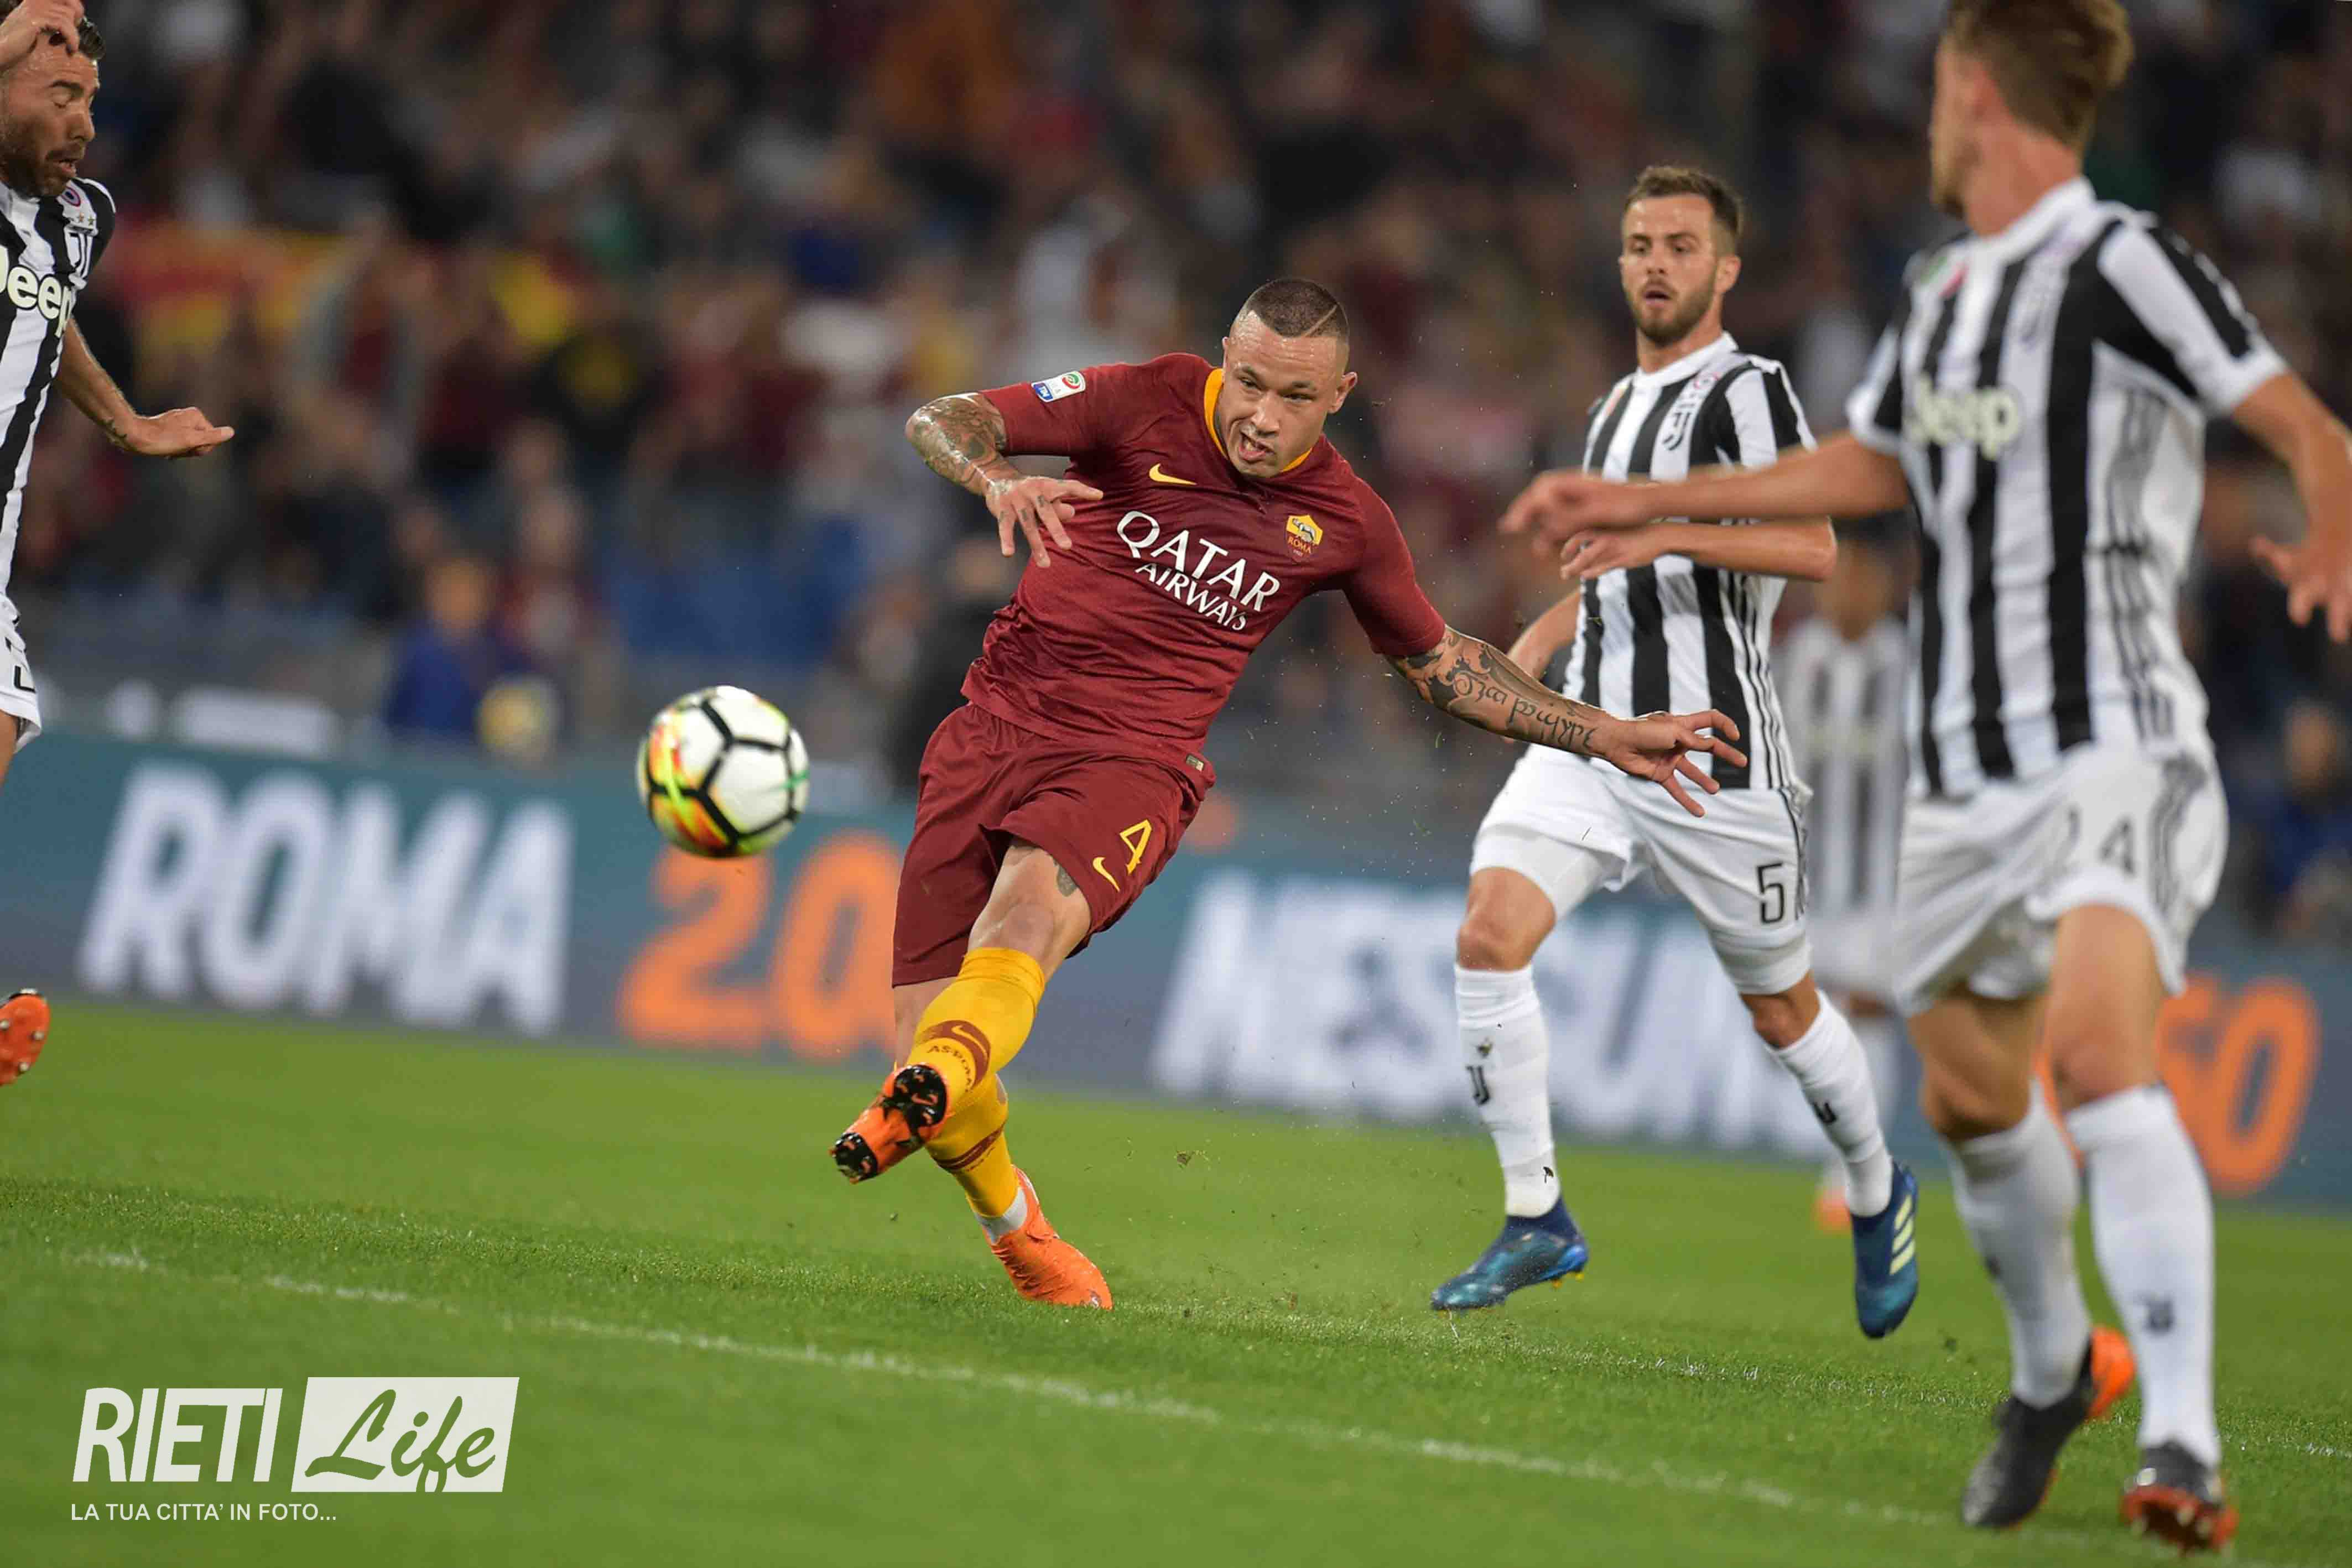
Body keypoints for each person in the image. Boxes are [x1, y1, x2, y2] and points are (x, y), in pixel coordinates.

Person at [1500, 0, 2352, 1549]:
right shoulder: (1944, 291)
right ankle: (2050, 1372)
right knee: (1967, 1097)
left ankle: (2181, 1442)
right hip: (1965, 774)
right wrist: (1647, 508)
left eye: (1941, 93)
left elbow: (2300, 420)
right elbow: (1870, 466)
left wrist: (2334, 539)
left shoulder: (2124, 263)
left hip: (2113, 738)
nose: (1929, 119)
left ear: (1974, 96)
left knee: (2093, 1058)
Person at [834, 277, 1746, 1310]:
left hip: (1135, 762)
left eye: (1296, 397)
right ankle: (1017, 1223)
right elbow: (943, 417)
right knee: (931, 1051)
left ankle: (941, 1096)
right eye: (1250, 383)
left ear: (1340, 396)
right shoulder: (1142, 398)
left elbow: (1445, 666)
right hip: (991, 728)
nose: (1262, 416)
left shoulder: (1348, 520)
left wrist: (1605, 733)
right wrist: (996, 475)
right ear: (1225, 358)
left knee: (1025, 920)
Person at [1429, 167, 1918, 1346]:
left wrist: (1656, 526)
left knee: (1784, 1012)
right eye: (1640, 243)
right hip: (1595, 738)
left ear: (1724, 268)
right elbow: (1617, 575)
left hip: (1713, 754)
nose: (1656, 262)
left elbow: (1809, 546)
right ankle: (1535, 1213)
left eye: (1681, 246)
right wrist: (1544, 635)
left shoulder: (1747, 390)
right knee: (1488, 935)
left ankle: (1873, 1184)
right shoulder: (1611, 409)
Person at [0, 0, 235, 1090]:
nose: (85, 123)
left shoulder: (77, 221)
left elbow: (48, 313)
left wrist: (124, 420)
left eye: (92, 100)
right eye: (60, 95)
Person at [1775, 530, 1913, 1231]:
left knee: (1867, 1012)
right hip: (1806, 883)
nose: (1849, 591)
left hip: (1882, 886)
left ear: (1887, 585)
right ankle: (1843, 1155)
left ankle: (1856, 1173)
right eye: (1838, 577)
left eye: (1863, 576)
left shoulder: (1911, 668)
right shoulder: (1796, 660)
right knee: (1814, 1022)